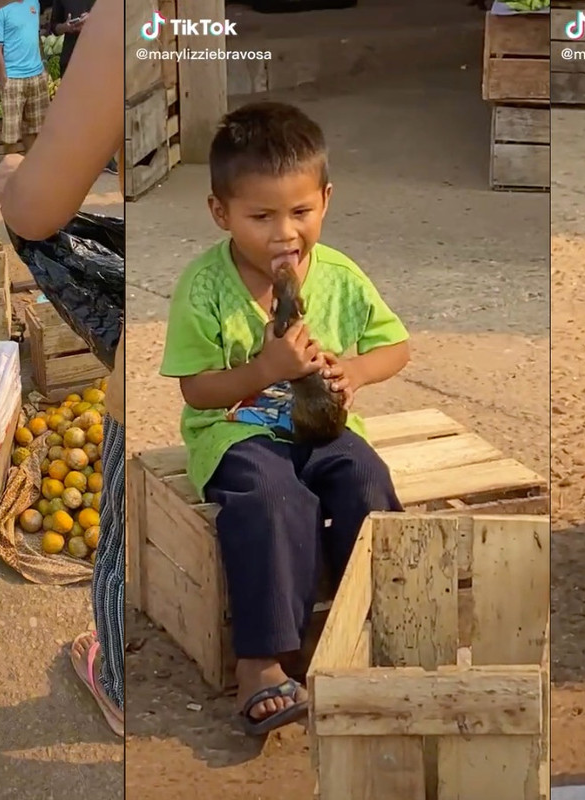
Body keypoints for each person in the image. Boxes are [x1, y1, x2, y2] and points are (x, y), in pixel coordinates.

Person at [160, 102, 411, 732]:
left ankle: (378, 624)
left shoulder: (342, 275)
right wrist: (266, 368)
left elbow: (395, 346)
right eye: (260, 217)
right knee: (275, 499)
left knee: (365, 479)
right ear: (221, 212)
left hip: (326, 430)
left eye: (300, 212)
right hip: (237, 434)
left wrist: (353, 372)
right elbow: (197, 391)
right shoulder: (205, 287)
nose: (284, 234)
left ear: (325, 199)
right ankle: (264, 660)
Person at [0, 0, 126, 737]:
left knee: (126, 532)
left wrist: (13, 176)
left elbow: (38, 209)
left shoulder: (128, 16)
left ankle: (122, 682)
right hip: (256, 314)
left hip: (165, 342)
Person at [49, 0, 117, 175]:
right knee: (73, 112)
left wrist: (94, 19)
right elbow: (54, 27)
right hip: (71, 58)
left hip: (97, 56)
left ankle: (105, 159)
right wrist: (67, 27)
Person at [0, 0, 49, 155]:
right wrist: (4, 81)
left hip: (37, 76)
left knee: (35, 130)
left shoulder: (33, 2)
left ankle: (33, 169)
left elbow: (36, 37)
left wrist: (44, 66)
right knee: (11, 136)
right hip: (13, 79)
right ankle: (11, 171)